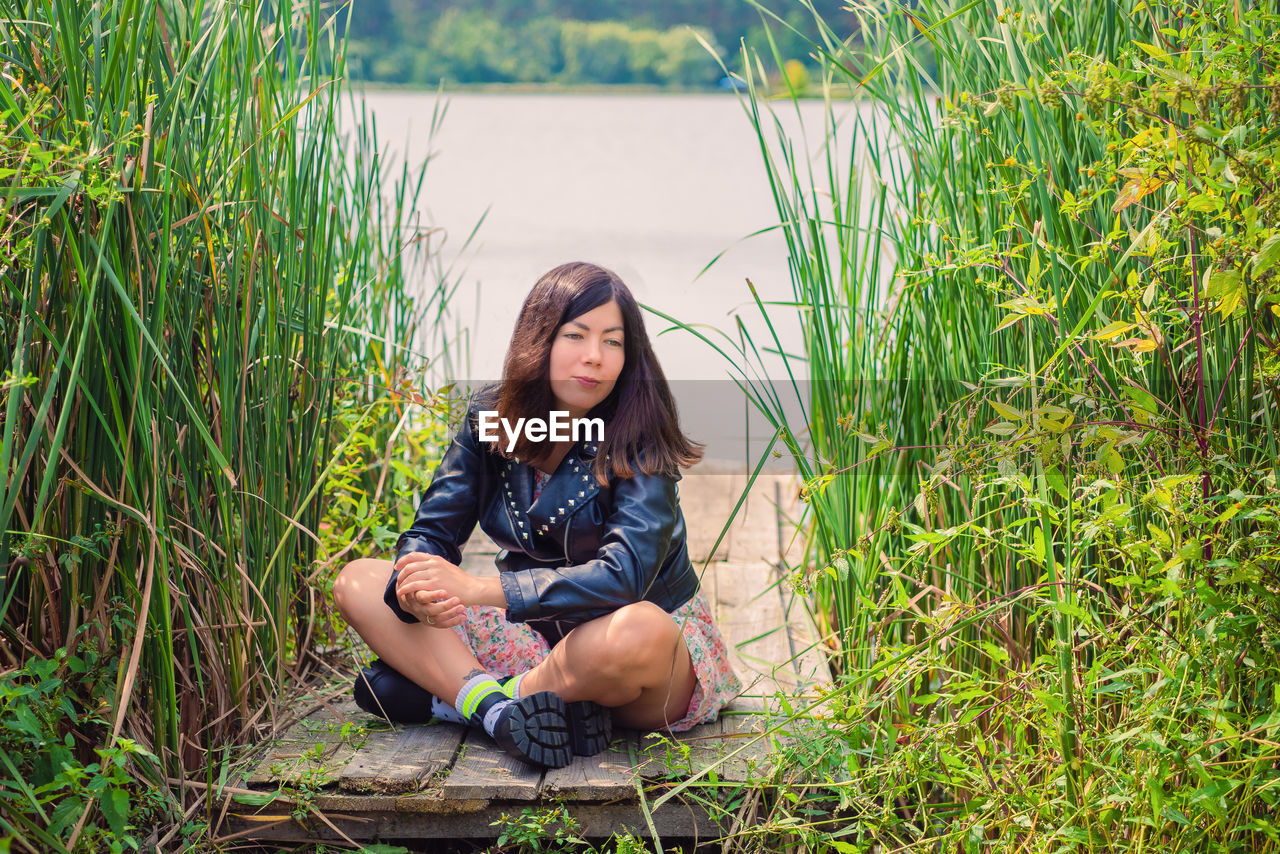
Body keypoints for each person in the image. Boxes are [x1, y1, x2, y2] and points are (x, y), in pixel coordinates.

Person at [332, 261, 741, 768]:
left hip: (635, 657)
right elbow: (432, 531)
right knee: (360, 581)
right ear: (540, 338)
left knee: (637, 629)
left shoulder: (641, 437)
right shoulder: (490, 419)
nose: (595, 357)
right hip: (531, 635)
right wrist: (418, 590)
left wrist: (477, 589)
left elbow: (625, 578)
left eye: (613, 342)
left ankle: (461, 701)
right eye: (577, 335)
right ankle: (501, 711)